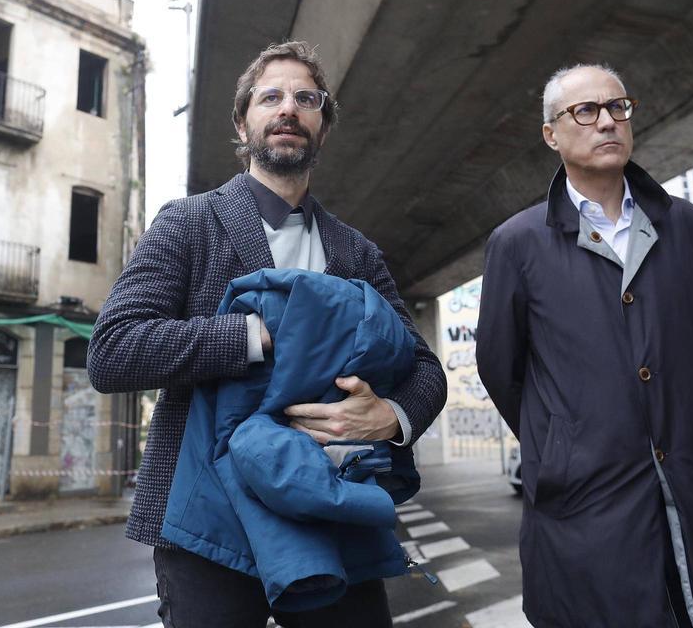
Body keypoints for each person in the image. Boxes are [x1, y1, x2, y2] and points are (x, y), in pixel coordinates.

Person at [88, 41, 447, 628]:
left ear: (322, 127)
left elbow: (426, 369)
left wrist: (392, 416)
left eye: (307, 99)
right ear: (243, 120)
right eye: (271, 97)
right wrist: (260, 335)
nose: (289, 109)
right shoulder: (189, 221)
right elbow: (114, 351)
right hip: (209, 511)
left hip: (328, 505)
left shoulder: (355, 251)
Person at [475, 64, 693, 628]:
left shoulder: (685, 225)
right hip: (589, 499)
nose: (607, 121)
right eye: (584, 111)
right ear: (551, 134)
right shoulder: (516, 244)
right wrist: (566, 438)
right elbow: (501, 368)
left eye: (618, 107)